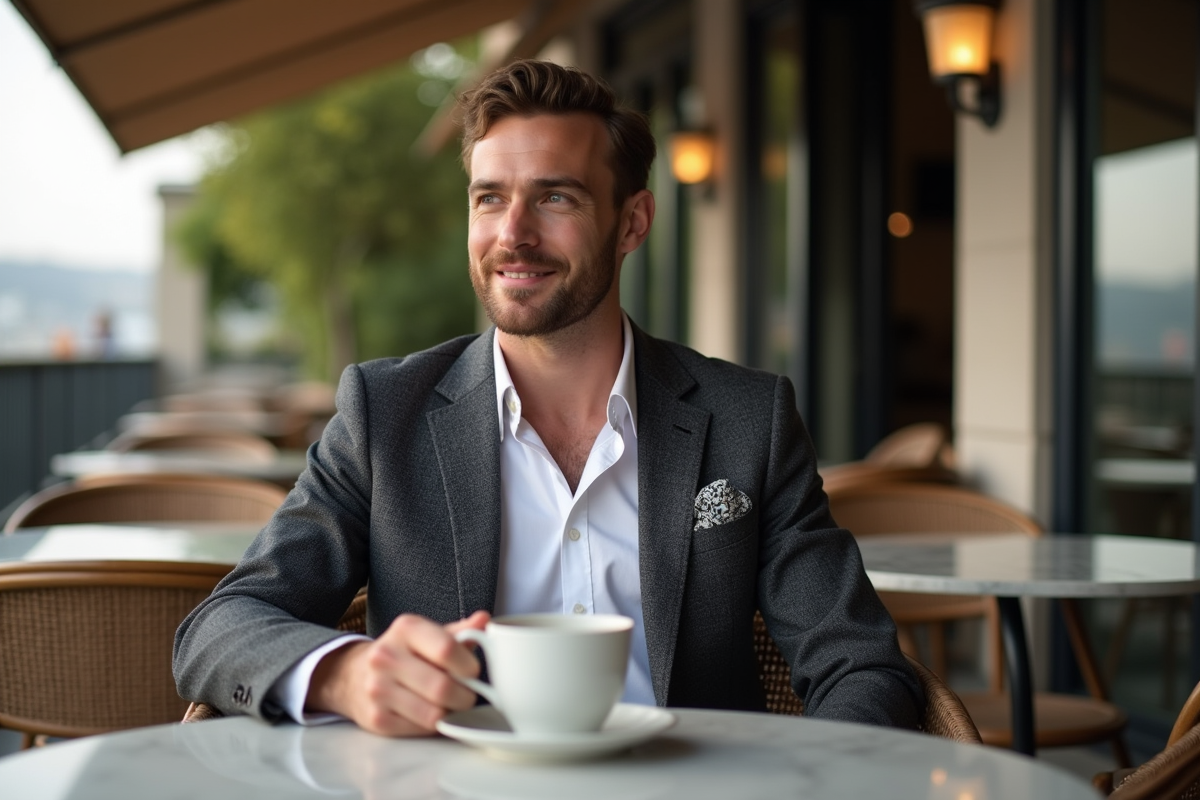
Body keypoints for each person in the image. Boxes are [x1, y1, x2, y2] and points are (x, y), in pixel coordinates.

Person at [174, 59, 924, 735]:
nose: (513, 234)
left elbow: (862, 667)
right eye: (489, 198)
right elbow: (223, 625)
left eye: (555, 198)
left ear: (632, 221)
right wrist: (344, 673)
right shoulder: (384, 412)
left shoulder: (747, 420)